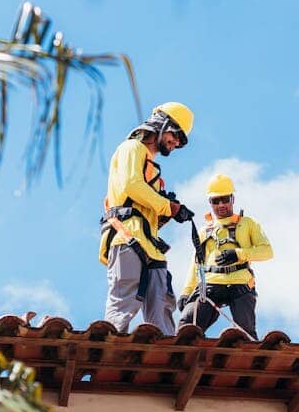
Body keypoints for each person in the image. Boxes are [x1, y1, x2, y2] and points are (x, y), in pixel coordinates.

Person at [99, 102, 195, 334]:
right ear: (161, 125)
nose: (175, 144)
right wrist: (166, 206)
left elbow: (148, 208)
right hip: (127, 235)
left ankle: (166, 358)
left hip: (149, 244)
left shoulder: (152, 169)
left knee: (161, 304)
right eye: (175, 136)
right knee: (124, 301)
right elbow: (131, 185)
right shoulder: (131, 148)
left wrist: (170, 211)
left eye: (179, 142)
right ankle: (107, 349)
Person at [177, 174, 273, 339]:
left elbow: (267, 251)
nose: (221, 205)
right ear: (210, 203)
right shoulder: (204, 231)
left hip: (240, 284)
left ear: (232, 199)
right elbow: (196, 265)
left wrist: (238, 254)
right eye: (216, 201)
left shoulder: (248, 223)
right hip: (211, 284)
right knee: (187, 325)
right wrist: (186, 292)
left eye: (225, 199)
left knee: (245, 334)